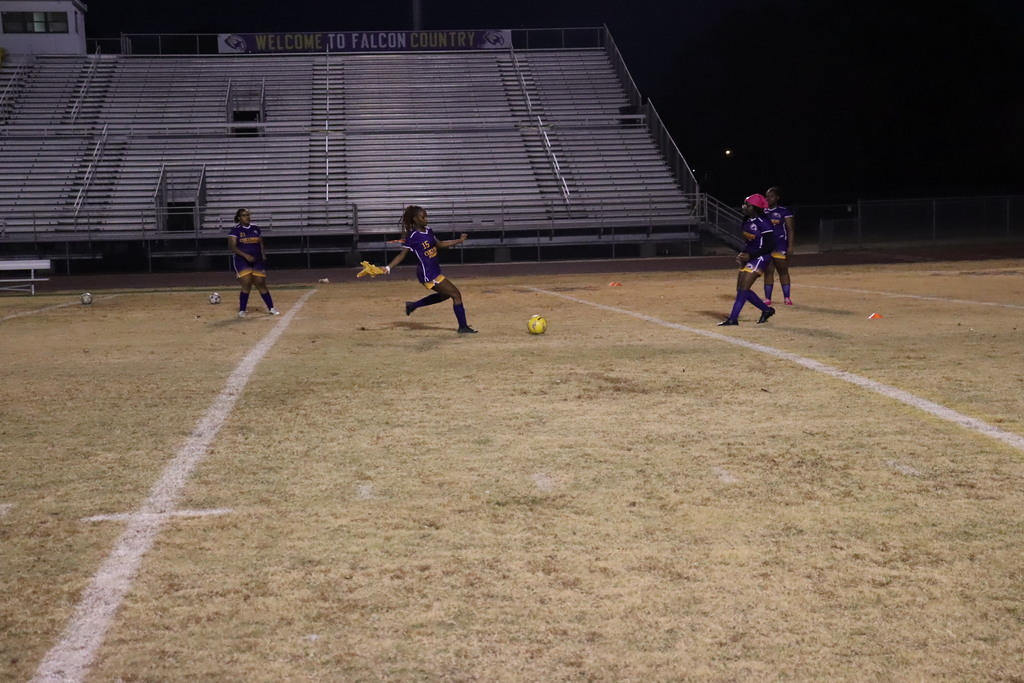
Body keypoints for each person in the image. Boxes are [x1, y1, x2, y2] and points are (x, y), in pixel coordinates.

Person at [378, 205, 477, 334]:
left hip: (434, 270)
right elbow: (402, 255)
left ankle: (413, 305)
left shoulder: (429, 230)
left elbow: (440, 244)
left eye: (426, 216)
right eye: (423, 217)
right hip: (427, 273)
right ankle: (463, 327)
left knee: (445, 295)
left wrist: (459, 240)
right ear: (415, 219)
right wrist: (388, 268)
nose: (426, 219)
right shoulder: (413, 236)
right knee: (456, 295)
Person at [718, 194, 776, 326]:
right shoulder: (747, 220)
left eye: (747, 205)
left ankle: (733, 319)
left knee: (743, 288)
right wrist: (744, 253)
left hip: (760, 257)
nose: (743, 206)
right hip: (751, 256)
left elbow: (770, 245)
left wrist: (751, 256)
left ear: (755, 207)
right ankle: (767, 310)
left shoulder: (764, 222)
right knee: (741, 289)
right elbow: (750, 242)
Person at [228, 208, 280, 318]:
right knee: (246, 283)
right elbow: (233, 247)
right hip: (242, 261)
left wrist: (263, 254)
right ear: (239, 218)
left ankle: (271, 308)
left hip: (257, 260)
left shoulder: (255, 228)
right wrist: (245, 255)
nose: (247, 217)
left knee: (260, 282)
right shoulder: (235, 231)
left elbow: (260, 243)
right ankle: (242, 309)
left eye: (248, 215)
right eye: (244, 215)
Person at [763, 186, 795, 305]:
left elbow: (790, 229)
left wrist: (790, 246)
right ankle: (768, 298)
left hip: (780, 245)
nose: (768, 199)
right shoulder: (762, 212)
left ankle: (787, 297)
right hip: (767, 247)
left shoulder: (784, 211)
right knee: (768, 272)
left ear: (777, 197)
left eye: (771, 196)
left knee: (783, 271)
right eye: (767, 197)